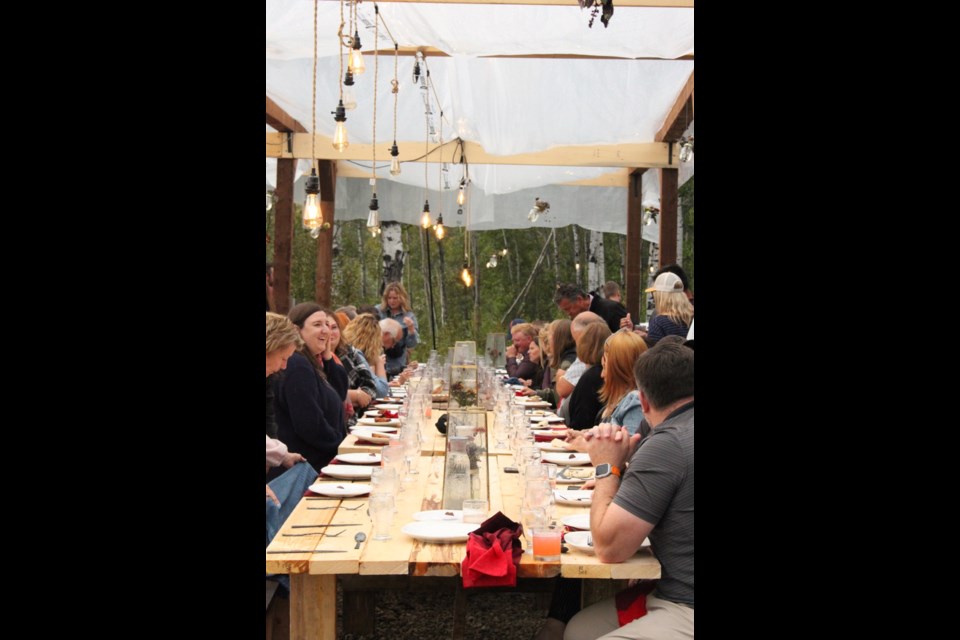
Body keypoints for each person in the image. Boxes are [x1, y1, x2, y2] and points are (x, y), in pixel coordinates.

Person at [563, 336, 694, 640]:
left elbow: (610, 548)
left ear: (643, 400)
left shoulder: (668, 443)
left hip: (685, 603)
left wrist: (607, 467)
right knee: (579, 630)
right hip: (670, 588)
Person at [270, 303, 349, 476]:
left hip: (313, 464)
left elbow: (340, 393)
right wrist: (343, 446)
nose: (326, 330)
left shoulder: (310, 362)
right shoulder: (297, 365)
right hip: (307, 468)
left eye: (327, 325)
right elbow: (309, 425)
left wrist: (328, 356)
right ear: (297, 331)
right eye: (317, 325)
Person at [376, 282, 419, 371]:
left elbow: (412, 344)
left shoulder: (409, 316)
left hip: (397, 362)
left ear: (402, 298)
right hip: (378, 358)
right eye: (389, 298)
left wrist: (411, 330)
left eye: (395, 298)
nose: (392, 301)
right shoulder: (378, 311)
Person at [554, 284, 627, 334]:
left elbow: (627, 339)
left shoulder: (611, 309)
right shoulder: (575, 319)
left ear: (579, 299)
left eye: (568, 308)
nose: (568, 313)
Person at [505, 322, 544, 388]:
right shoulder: (527, 354)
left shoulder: (532, 356)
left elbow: (514, 377)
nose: (514, 344)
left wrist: (511, 356)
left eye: (517, 340)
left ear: (529, 339)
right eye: (513, 341)